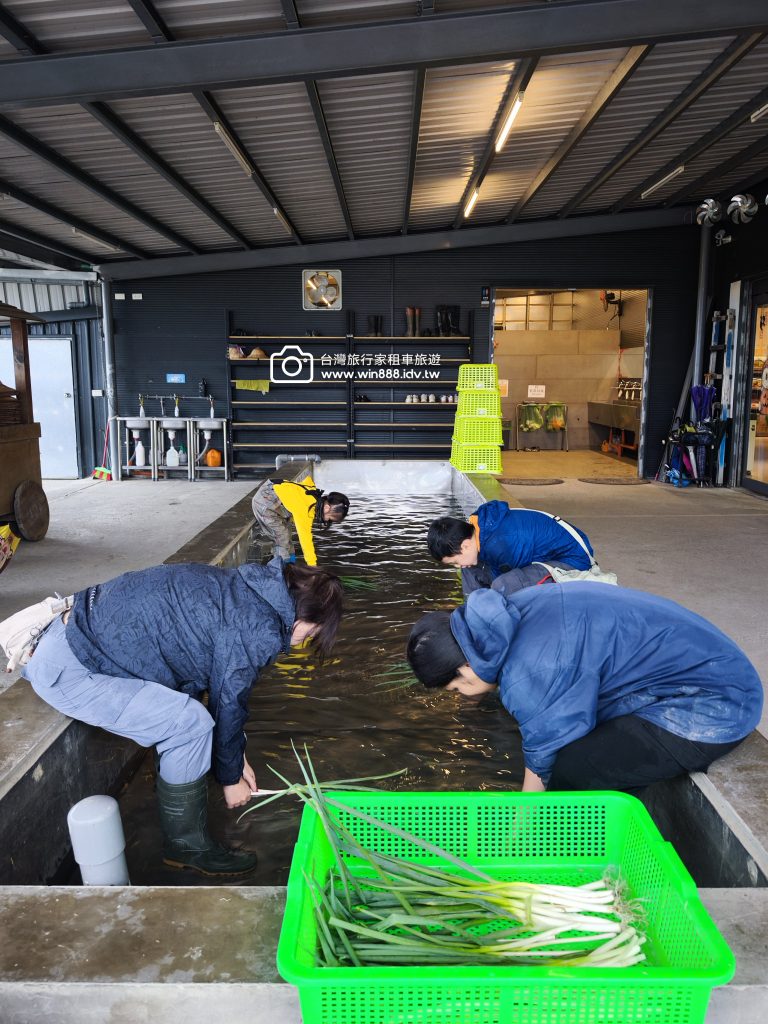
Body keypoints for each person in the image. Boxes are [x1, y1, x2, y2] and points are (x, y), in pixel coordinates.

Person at [22, 558, 343, 877]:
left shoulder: (244, 588)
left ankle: (172, 791)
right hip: (73, 671)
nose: (305, 642)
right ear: (304, 616)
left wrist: (236, 756)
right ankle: (186, 847)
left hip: (66, 635)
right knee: (190, 725)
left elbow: (212, 679)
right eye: (312, 633)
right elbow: (229, 700)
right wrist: (231, 780)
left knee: (196, 715)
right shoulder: (260, 629)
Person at [406, 584, 763, 795]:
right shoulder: (508, 612)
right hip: (711, 669)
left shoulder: (528, 673)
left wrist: (521, 831)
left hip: (714, 705)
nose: (461, 695)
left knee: (570, 769)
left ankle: (589, 850)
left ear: (466, 667)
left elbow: (544, 759)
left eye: (456, 688)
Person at [427, 500, 597, 595]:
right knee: (470, 570)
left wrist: (494, 599)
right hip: (541, 558)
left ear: (465, 545)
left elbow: (509, 584)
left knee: (506, 585)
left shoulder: (502, 542)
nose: (458, 565)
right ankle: (472, 614)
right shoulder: (478, 529)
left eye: (455, 561)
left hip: (573, 562)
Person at [252, 475, 350, 566]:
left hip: (270, 490)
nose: (327, 520)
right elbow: (305, 539)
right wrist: (312, 565)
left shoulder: (313, 495)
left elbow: (303, 486)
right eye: (329, 518)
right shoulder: (306, 509)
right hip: (265, 500)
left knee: (287, 536)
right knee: (282, 538)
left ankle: (291, 564)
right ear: (327, 508)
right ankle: (280, 569)